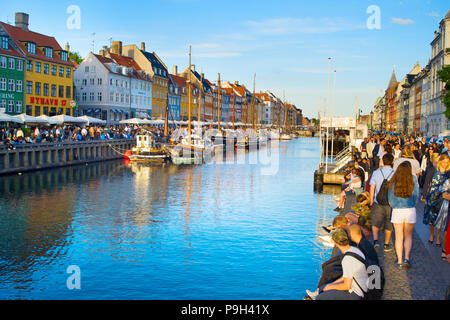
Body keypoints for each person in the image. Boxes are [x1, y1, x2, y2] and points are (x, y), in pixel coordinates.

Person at [314, 229, 368, 300]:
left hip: (356, 293)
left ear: (334, 242)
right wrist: (331, 284)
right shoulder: (354, 250)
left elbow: (346, 286)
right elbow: (346, 276)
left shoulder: (347, 260)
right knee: (323, 287)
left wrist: (329, 287)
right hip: (363, 285)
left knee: (320, 298)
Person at [388, 161, 419, 268]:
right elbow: (416, 196)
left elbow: (390, 200)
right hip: (410, 210)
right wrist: (412, 204)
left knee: (398, 237)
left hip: (397, 211)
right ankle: (407, 258)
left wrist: (395, 205)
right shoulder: (413, 179)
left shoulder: (394, 180)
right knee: (408, 236)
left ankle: (400, 260)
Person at [369, 153, 395, 252]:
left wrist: (371, 200)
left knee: (375, 221)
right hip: (390, 202)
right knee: (389, 222)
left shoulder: (376, 173)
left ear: (382, 161)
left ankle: (376, 241)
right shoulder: (395, 173)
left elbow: (372, 187)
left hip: (378, 201)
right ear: (392, 162)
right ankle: (386, 244)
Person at [423, 154, 450, 247]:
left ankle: (438, 237)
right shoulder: (433, 170)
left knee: (441, 219)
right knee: (431, 218)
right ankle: (432, 235)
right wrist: (424, 195)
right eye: (444, 162)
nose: (445, 164)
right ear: (440, 161)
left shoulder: (448, 172)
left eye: (447, 162)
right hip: (432, 197)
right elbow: (427, 182)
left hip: (443, 198)